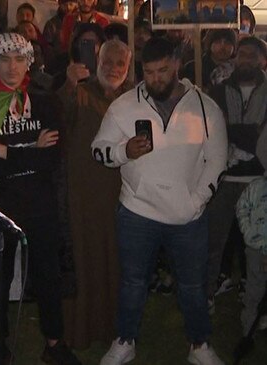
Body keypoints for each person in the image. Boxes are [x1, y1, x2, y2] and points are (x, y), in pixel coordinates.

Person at [92, 36, 227, 365]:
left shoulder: (205, 107)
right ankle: (125, 340)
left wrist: (197, 201)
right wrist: (124, 151)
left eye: (163, 70)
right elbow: (98, 148)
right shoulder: (124, 105)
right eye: (149, 72)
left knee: (193, 285)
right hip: (137, 212)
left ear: (177, 65)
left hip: (188, 217)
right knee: (133, 282)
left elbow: (218, 159)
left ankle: (199, 345)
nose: (156, 79)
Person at [0, 33, 80, 365]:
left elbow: (52, 156)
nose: (12, 67)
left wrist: (7, 152)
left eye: (18, 59)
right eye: (4, 60)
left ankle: (54, 342)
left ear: (29, 62)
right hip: (0, 201)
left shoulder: (45, 101)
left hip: (39, 199)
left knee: (48, 273)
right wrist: (29, 149)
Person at [60, 39, 133, 350]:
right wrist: (67, 84)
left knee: (117, 264)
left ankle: (117, 332)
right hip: (83, 198)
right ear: (97, 61)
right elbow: (58, 121)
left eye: (120, 64)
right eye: (107, 62)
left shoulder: (133, 99)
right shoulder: (79, 93)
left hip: (122, 196)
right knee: (84, 260)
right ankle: (80, 331)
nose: (113, 69)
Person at [206, 36, 267, 312]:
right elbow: (214, 131)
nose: (247, 60)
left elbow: (260, 139)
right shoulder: (219, 91)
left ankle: (252, 296)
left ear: (262, 60)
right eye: (242, 55)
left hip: (258, 180)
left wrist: (238, 133)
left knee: (255, 246)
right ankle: (206, 293)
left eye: (253, 56)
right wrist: (250, 133)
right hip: (225, 178)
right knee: (214, 240)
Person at [236, 174, 267, 337]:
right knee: (255, 288)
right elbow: (241, 208)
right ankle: (249, 326)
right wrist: (248, 233)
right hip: (255, 249)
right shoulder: (256, 186)